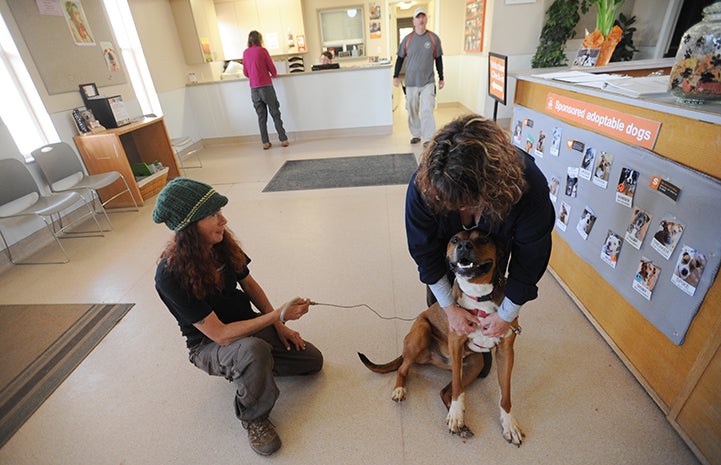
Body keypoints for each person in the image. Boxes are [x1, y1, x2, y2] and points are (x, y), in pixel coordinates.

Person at [153, 178, 323, 456]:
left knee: (312, 361)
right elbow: (220, 335)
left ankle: (251, 366)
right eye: (212, 215)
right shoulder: (170, 274)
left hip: (244, 329)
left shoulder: (221, 243)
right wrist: (278, 315)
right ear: (189, 227)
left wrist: (278, 324)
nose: (223, 219)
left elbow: (249, 283)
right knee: (253, 351)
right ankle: (253, 417)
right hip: (209, 345)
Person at [405, 115, 555, 350]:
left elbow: (531, 257)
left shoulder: (529, 186)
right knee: (447, 323)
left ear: (494, 187)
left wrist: (506, 315)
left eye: (469, 202)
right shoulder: (424, 186)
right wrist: (449, 308)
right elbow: (424, 251)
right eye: (453, 204)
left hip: (494, 251)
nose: (462, 211)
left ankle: (483, 341)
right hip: (444, 258)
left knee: (490, 304)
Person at [393, 7, 444, 147]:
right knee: (412, 109)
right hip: (410, 82)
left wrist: (441, 77)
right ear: (413, 21)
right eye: (418, 17)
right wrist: (395, 76)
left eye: (423, 17)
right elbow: (400, 59)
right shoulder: (407, 39)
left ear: (426, 19)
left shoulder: (433, 39)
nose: (421, 19)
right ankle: (416, 134)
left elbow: (438, 59)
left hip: (428, 81)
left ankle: (428, 138)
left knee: (427, 109)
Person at [242, 30, 289, 150]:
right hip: (266, 87)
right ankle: (283, 139)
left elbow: (245, 72)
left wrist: (253, 77)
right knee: (275, 113)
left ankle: (265, 143)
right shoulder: (262, 51)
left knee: (261, 117)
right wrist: (274, 74)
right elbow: (272, 68)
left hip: (254, 90)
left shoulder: (245, 53)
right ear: (259, 39)